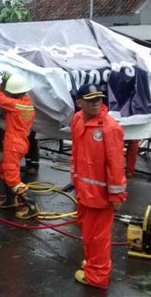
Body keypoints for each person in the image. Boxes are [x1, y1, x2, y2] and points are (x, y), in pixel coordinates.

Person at [71, 84, 127, 289]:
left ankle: (97, 277)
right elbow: (77, 153)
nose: (96, 103)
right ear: (79, 103)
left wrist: (117, 196)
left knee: (98, 238)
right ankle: (94, 264)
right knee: (88, 232)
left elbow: (116, 164)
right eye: (91, 99)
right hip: (84, 193)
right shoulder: (77, 120)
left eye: (99, 99)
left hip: (101, 197)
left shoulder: (109, 128)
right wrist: (75, 179)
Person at [0, 73, 39, 219]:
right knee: (3, 170)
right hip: (20, 143)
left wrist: (0, 84)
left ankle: (32, 205)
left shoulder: (16, 105)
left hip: (14, 144)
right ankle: (11, 200)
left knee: (11, 177)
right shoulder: (27, 103)